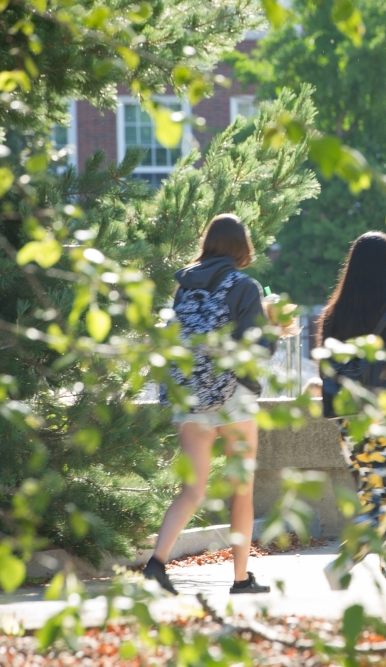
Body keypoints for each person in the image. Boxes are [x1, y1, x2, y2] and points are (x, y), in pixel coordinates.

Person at [144, 214, 272, 595]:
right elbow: (258, 349)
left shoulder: (184, 288)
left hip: (190, 398)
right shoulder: (245, 286)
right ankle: (240, 578)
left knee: (192, 490)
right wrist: (276, 327)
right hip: (234, 398)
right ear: (241, 247)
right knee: (241, 489)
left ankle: (156, 564)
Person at [317, 232, 386, 590]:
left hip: (349, 413)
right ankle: (345, 560)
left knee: (375, 490)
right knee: (384, 489)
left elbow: (326, 371)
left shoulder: (333, 314)